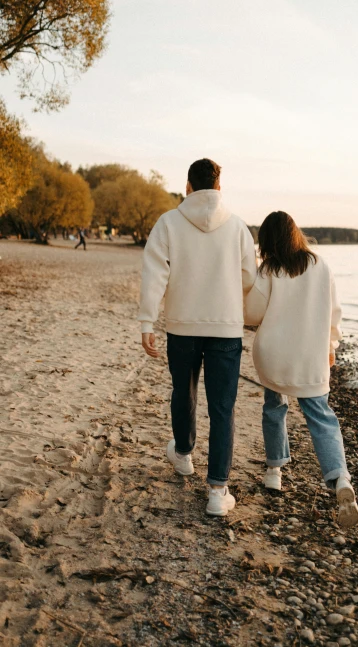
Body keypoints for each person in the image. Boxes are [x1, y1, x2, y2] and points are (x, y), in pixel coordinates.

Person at [138, 158, 257, 516]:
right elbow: (249, 277)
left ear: (188, 187)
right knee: (223, 408)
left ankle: (185, 454)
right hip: (225, 328)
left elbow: (153, 273)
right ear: (219, 188)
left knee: (184, 391)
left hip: (182, 326)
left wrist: (147, 321)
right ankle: (218, 492)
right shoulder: (237, 227)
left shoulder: (169, 222)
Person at [244, 211, 358, 528]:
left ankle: (273, 473)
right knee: (321, 417)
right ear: (296, 234)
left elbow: (252, 314)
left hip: (275, 356)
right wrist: (331, 348)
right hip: (310, 358)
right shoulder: (321, 266)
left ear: (267, 242)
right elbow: (335, 314)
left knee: (274, 406)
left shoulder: (268, 270)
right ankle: (340, 479)